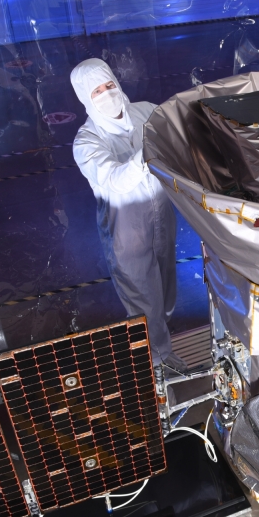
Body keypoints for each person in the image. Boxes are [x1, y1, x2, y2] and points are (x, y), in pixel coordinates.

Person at [70, 58, 183, 369]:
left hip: (162, 214)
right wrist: (149, 148)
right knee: (143, 299)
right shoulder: (87, 141)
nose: (107, 95)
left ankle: (165, 345)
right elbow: (116, 181)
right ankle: (157, 366)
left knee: (167, 285)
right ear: (84, 98)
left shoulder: (145, 111)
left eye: (109, 86)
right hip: (127, 231)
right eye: (97, 92)